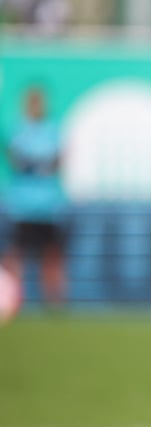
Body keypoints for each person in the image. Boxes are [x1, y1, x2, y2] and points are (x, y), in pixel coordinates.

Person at [2, 84, 69, 318]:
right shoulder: (17, 129)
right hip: (24, 207)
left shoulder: (53, 129)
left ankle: (55, 306)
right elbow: (18, 160)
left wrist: (36, 164)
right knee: (16, 256)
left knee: (52, 256)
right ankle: (11, 301)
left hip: (49, 207)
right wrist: (40, 164)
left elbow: (57, 161)